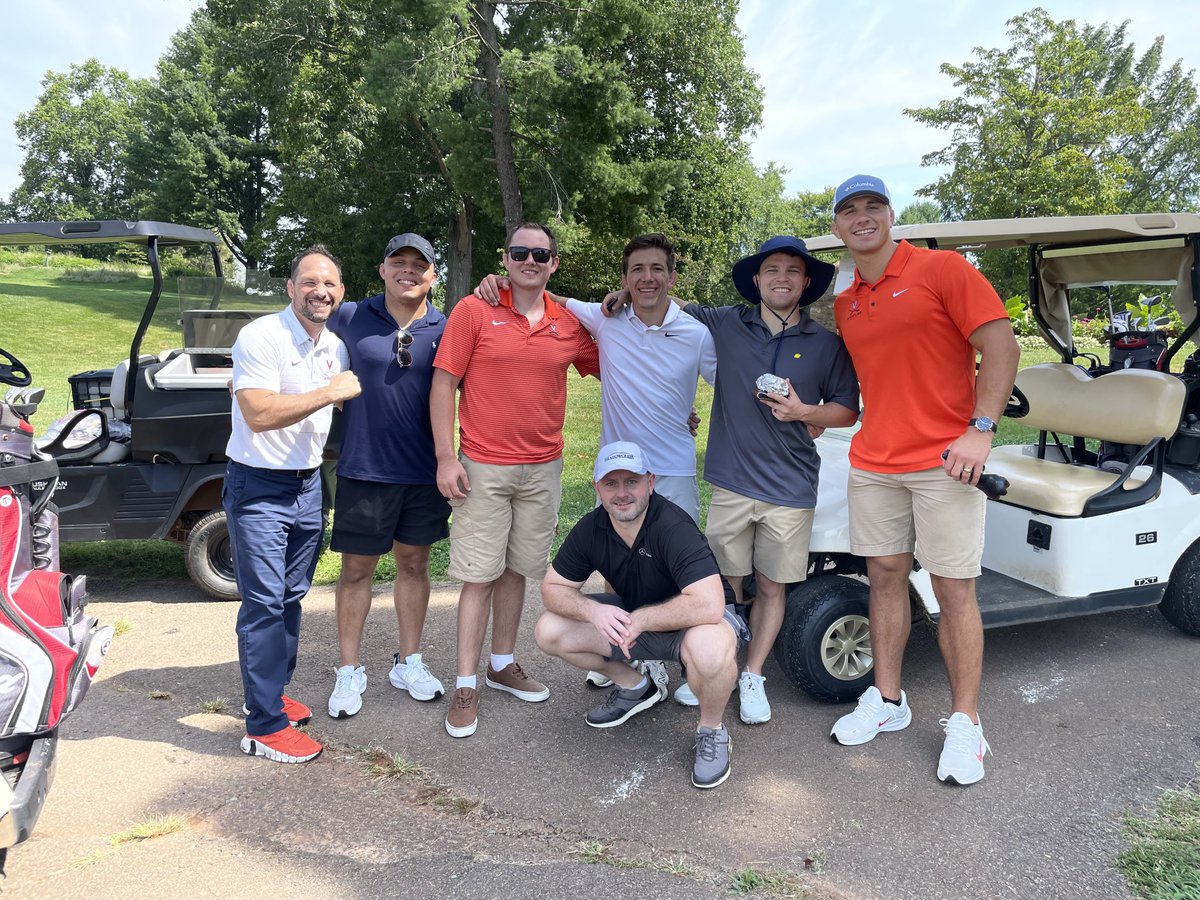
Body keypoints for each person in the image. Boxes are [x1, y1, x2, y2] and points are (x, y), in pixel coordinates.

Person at [606, 236, 859, 725]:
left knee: (770, 584)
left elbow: (846, 408)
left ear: (806, 282)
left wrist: (806, 411)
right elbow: (667, 302)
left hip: (790, 486)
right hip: (731, 481)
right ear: (757, 281)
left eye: (791, 270)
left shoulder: (825, 344)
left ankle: (754, 675)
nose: (781, 277)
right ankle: (715, 665)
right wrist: (624, 297)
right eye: (771, 270)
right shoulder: (725, 323)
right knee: (721, 584)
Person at [827, 175, 1020, 785]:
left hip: (945, 463)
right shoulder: (845, 300)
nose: (862, 217)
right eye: (849, 210)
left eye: (872, 207)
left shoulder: (942, 269)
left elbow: (1002, 346)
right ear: (838, 227)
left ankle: (966, 724)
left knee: (952, 587)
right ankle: (888, 701)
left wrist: (981, 429)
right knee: (884, 578)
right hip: (875, 463)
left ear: (891, 214)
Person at [474, 233, 716, 695]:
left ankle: (687, 659)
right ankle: (625, 649)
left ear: (671, 276)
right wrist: (500, 283)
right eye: (637, 270)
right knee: (620, 563)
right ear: (624, 279)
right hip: (619, 468)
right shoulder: (606, 319)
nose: (647, 278)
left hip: (674, 467)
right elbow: (546, 293)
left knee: (678, 565)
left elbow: (726, 383)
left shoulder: (696, 333)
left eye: (657, 269)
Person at [431, 222, 600, 739]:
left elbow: (621, 367)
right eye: (520, 252)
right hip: (482, 464)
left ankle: (501, 664)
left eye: (541, 253)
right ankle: (465, 683)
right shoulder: (473, 310)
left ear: (553, 263)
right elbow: (444, 385)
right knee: (478, 576)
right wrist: (445, 457)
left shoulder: (568, 322)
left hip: (543, 468)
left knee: (516, 572)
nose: (530, 260)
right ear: (505, 258)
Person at [536, 442, 747, 789]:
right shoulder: (592, 528)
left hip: (697, 624)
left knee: (710, 651)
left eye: (631, 481)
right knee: (550, 630)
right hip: (635, 621)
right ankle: (636, 686)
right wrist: (593, 610)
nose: (622, 493)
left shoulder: (672, 526)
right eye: (611, 483)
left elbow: (708, 604)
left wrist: (640, 621)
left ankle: (711, 730)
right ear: (597, 489)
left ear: (650, 482)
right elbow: (552, 588)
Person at [227, 245, 361, 764]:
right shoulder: (261, 335)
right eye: (309, 282)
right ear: (290, 287)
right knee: (262, 605)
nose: (320, 292)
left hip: (307, 486)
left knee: (289, 597)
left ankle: (271, 695)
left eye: (329, 284)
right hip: (259, 486)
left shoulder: (334, 346)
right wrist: (328, 393)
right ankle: (262, 727)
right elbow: (258, 412)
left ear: (341, 292)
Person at [323, 233, 450, 719]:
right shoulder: (352, 316)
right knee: (356, 570)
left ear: (432, 275)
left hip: (422, 470)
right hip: (364, 467)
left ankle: (409, 661)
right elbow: (300, 327)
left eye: (420, 265)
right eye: (399, 262)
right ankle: (349, 668)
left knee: (414, 565)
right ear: (383, 269)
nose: (409, 271)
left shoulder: (446, 324)